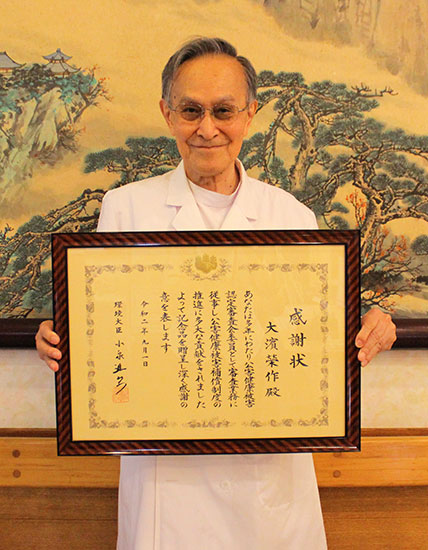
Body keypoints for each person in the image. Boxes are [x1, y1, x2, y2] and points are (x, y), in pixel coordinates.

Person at [36, 37, 396, 549]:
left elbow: (314, 330)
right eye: (191, 111)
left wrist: (368, 320)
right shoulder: (125, 209)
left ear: (250, 115)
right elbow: (109, 329)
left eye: (224, 111)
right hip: (168, 493)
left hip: (268, 488)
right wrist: (63, 340)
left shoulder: (292, 216)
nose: (207, 128)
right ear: (167, 114)